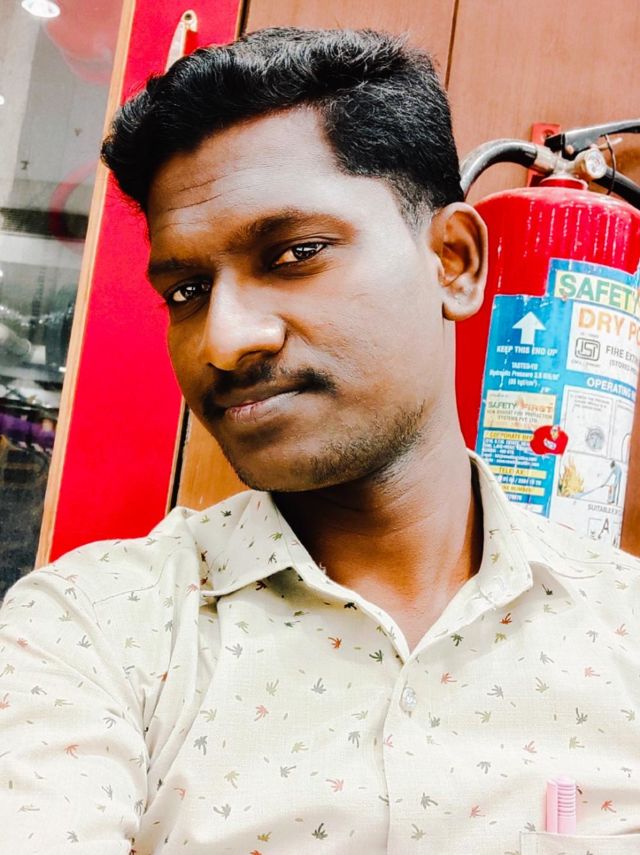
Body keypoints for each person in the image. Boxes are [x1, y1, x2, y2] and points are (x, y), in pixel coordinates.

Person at [1, 28, 639, 855]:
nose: (226, 339)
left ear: (453, 261)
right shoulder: (95, 629)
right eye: (188, 291)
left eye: (295, 254)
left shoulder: (623, 632)